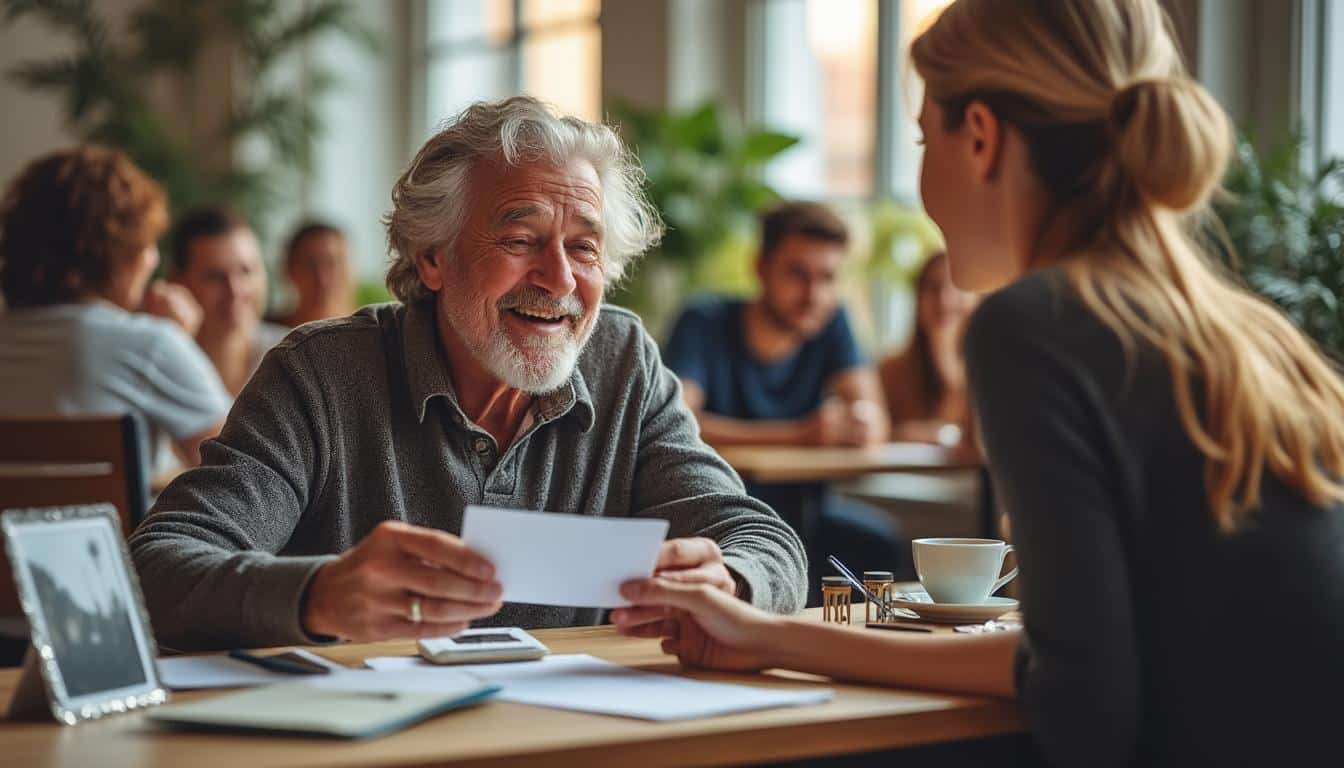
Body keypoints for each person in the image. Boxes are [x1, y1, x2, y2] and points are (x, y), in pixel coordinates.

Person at [615, 1, 1344, 765]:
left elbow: (1081, 707)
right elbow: (1067, 658)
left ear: (983, 139)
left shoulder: (1032, 323)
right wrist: (772, 634)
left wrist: (773, 638)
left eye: (925, 138)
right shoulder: (1241, 325)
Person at [128, 96, 807, 651]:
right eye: (520, 240)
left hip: (572, 745)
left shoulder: (622, 360)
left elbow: (766, 542)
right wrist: (317, 594)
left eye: (584, 248)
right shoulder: (321, 374)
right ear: (433, 258)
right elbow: (156, 567)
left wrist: (733, 581)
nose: (560, 278)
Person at [662, 201, 907, 594]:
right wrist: (800, 434)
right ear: (760, 268)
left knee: (882, 546)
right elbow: (680, 423)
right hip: (722, 510)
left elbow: (875, 419)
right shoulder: (705, 321)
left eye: (828, 278)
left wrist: (860, 421)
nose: (815, 294)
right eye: (798, 274)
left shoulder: (831, 323)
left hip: (807, 506)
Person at [0, 146, 229, 471]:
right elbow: (244, 473)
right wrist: (182, 343)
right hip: (118, 524)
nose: (152, 260)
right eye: (146, 243)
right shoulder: (151, 345)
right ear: (120, 255)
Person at [170, 206, 289, 396]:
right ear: (178, 282)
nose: (235, 290)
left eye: (246, 271)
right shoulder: (159, 364)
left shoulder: (294, 358)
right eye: (215, 276)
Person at [878, 251, 978, 450]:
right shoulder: (892, 370)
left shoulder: (991, 371)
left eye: (956, 288)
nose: (944, 300)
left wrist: (947, 361)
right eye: (933, 288)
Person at [277, 220, 356, 327]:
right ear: (289, 270)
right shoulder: (261, 337)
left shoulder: (377, 335)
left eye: (332, 264)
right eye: (311, 265)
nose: (322, 279)